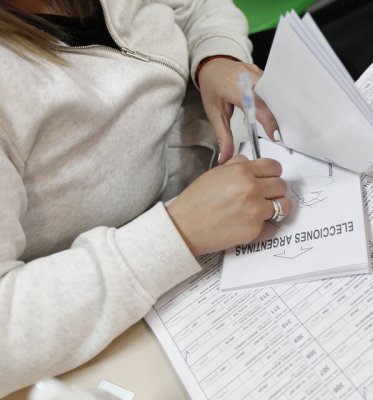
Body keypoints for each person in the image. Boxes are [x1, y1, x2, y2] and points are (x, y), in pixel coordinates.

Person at [0, 0, 292, 396]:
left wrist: (215, 56)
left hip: (217, 209)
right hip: (117, 316)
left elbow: (198, 5)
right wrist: (177, 233)